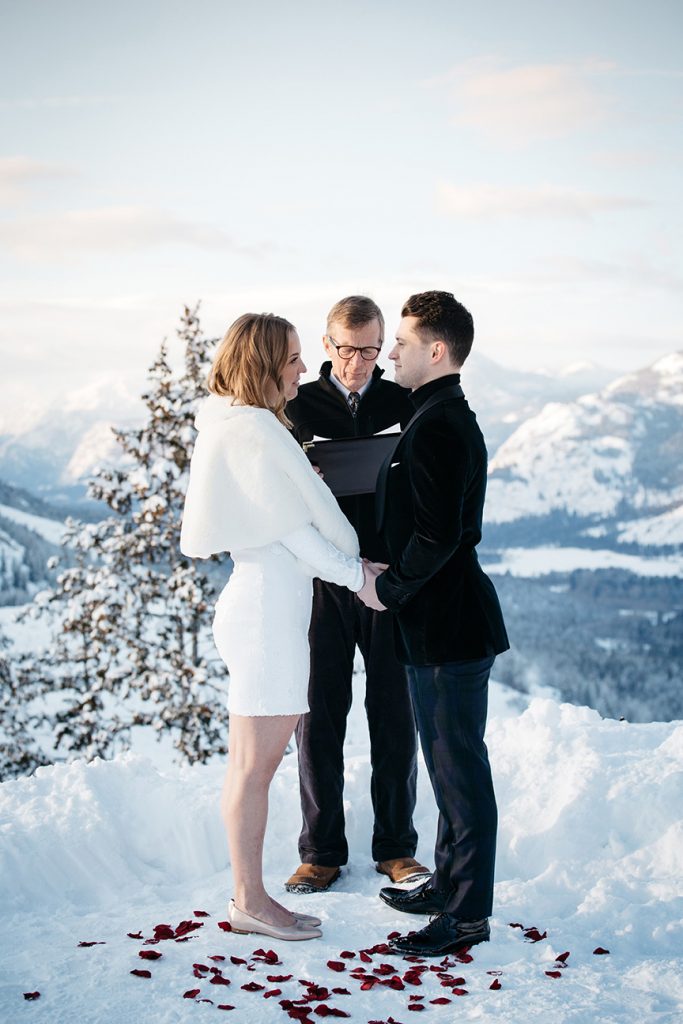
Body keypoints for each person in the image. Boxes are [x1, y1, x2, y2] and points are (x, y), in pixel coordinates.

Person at [180, 312, 381, 941]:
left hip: (261, 604)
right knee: (256, 768)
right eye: (293, 358)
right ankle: (251, 901)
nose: (302, 368)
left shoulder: (242, 428)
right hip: (266, 613)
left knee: (250, 765)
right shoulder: (255, 432)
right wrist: (360, 577)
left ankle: (250, 897)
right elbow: (295, 535)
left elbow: (278, 516)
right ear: (267, 364)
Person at [357, 290, 510, 957]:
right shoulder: (434, 415)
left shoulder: (442, 424)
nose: (391, 351)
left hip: (447, 629)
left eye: (402, 342)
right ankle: (447, 885)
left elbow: (438, 534)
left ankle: (466, 915)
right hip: (435, 628)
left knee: (458, 774)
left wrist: (387, 589)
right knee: (448, 767)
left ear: (436, 351)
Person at [284, 295, 430, 896]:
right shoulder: (297, 407)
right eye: (349, 351)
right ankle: (321, 852)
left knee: (394, 713)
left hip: (385, 580)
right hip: (321, 581)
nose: (360, 363)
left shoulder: (403, 403)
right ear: (327, 346)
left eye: (372, 350)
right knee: (319, 715)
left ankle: (396, 848)